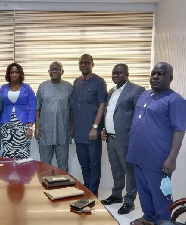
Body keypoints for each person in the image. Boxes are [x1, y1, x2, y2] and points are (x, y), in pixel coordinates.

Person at [127, 62, 186, 225]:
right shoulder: (144, 95)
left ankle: (163, 221)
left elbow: (179, 130)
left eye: (160, 74)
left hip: (158, 159)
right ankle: (149, 218)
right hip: (138, 154)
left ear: (170, 77)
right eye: (153, 73)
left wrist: (172, 158)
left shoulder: (176, 100)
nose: (155, 77)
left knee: (160, 194)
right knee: (144, 191)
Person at [100, 64, 145, 214]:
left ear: (127, 74)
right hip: (110, 138)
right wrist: (105, 129)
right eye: (114, 73)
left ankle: (129, 200)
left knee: (129, 171)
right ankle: (116, 195)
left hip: (125, 138)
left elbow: (139, 116)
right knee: (116, 169)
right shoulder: (112, 91)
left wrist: (133, 135)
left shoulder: (136, 90)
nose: (116, 75)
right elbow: (110, 112)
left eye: (119, 73)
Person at [72, 54, 107, 196]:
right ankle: (87, 189)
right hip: (79, 132)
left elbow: (102, 105)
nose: (84, 65)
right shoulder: (76, 82)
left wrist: (95, 127)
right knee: (84, 163)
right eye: (81, 63)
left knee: (94, 164)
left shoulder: (99, 81)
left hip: (92, 132)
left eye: (87, 62)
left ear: (92, 64)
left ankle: (93, 193)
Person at [35, 62, 73, 172]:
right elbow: (37, 109)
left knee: (63, 165)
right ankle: (45, 188)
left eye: (57, 69)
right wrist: (37, 128)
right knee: (45, 165)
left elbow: (72, 110)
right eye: (52, 69)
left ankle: (64, 188)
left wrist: (72, 129)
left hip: (63, 132)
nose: (54, 71)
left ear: (62, 72)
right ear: (49, 72)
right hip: (46, 131)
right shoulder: (43, 87)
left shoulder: (69, 87)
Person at [0, 63, 36, 159]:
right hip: (6, 126)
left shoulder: (27, 88)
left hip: (22, 126)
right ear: (8, 74)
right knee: (8, 153)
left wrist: (30, 127)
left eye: (16, 72)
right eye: (12, 72)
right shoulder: (3, 88)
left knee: (22, 154)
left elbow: (32, 108)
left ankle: (24, 174)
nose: (14, 74)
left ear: (20, 74)